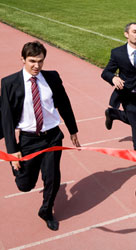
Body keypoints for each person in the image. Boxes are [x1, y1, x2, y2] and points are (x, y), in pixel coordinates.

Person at [1, 41, 80, 231]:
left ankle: (46, 211)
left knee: (52, 177)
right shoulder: (9, 83)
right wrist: (13, 152)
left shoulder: (52, 78)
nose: (36, 66)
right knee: (24, 185)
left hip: (52, 137)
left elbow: (64, 104)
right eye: (32, 61)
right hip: (29, 139)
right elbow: (7, 119)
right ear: (23, 59)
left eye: (40, 61)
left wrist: (73, 130)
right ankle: (21, 172)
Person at [101, 22, 136, 183]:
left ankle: (113, 113)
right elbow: (106, 72)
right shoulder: (117, 53)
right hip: (127, 96)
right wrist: (113, 77)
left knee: (133, 117)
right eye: (134, 31)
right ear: (126, 34)